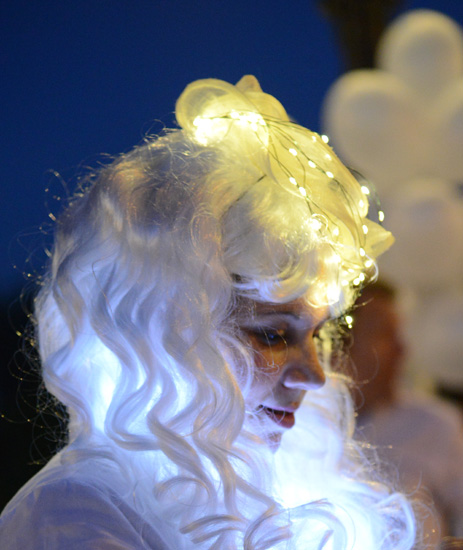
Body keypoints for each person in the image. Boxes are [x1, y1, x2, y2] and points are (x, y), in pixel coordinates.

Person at [0, 75, 418, 549]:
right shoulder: (71, 517)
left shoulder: (263, 491)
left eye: (317, 335)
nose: (315, 376)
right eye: (274, 336)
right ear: (162, 331)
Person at [347, 280, 463, 540]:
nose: (402, 349)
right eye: (385, 335)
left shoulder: (435, 424)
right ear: (342, 344)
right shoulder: (297, 427)